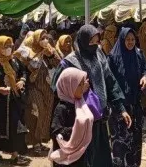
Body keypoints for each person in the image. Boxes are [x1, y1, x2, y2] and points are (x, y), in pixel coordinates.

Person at [52, 24, 132, 166]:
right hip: (79, 120)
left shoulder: (99, 55)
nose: (95, 45)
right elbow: (58, 88)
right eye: (91, 42)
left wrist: (121, 108)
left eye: (96, 41)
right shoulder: (69, 62)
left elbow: (110, 82)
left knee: (100, 158)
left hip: (99, 117)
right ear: (83, 41)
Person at [0, 36, 32, 166]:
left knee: (17, 127)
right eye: (5, 46)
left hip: (14, 100)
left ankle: (15, 154)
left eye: (10, 46)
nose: (9, 49)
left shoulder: (14, 61)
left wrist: (22, 81)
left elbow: (24, 72)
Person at [107, 27, 146, 167]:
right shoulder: (113, 58)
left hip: (135, 105)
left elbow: (145, 68)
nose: (131, 42)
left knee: (135, 142)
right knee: (121, 142)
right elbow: (109, 81)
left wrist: (144, 77)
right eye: (128, 39)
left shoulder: (138, 54)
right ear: (121, 39)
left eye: (133, 39)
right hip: (119, 107)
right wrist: (119, 105)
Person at [15, 29, 61, 155]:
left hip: (47, 87)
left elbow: (58, 63)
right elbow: (22, 68)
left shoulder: (48, 50)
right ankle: (34, 141)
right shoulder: (26, 51)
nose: (45, 40)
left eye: (46, 37)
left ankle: (40, 141)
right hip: (33, 87)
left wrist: (50, 54)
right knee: (37, 111)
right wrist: (34, 60)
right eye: (41, 38)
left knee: (45, 113)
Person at [49, 67, 95, 166]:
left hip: (79, 155)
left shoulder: (78, 103)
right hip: (66, 157)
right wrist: (76, 130)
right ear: (69, 86)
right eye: (80, 85)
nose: (83, 88)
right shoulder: (62, 108)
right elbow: (55, 131)